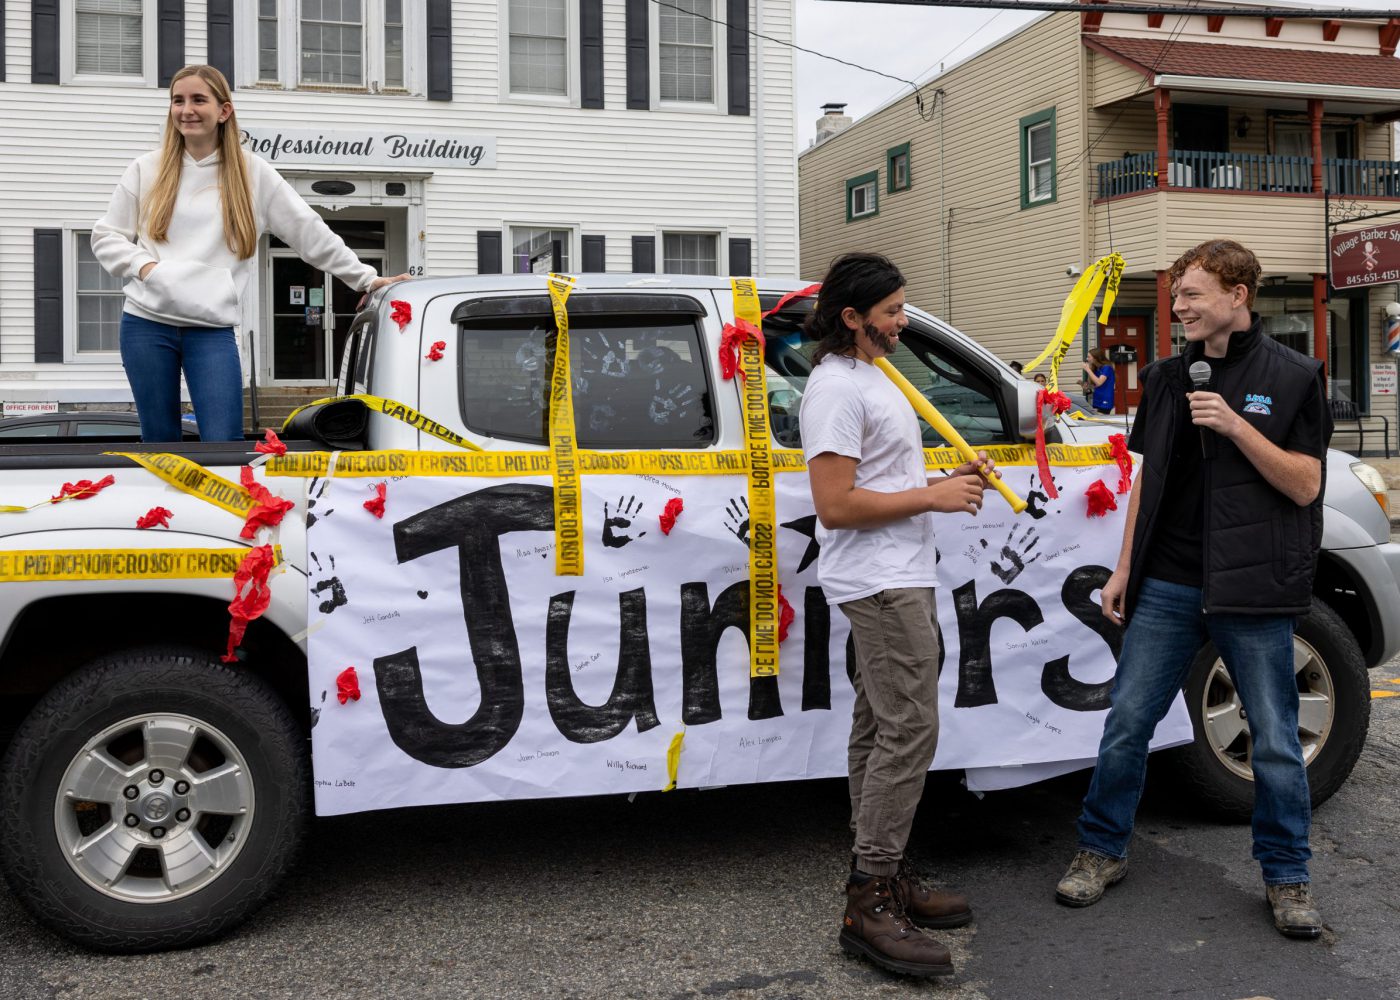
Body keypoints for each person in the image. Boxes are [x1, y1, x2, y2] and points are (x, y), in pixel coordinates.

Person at [1055, 240, 1332, 939]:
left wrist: (1237, 426)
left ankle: (1286, 875)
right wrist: (1124, 568)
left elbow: (1305, 484)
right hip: (1170, 581)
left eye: (1192, 295)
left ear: (1238, 296)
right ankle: (1101, 849)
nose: (1178, 307)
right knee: (1125, 726)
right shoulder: (1168, 376)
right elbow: (1146, 478)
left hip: (1252, 588)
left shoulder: (1296, 376)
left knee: (1273, 740)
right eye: (1176, 295)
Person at [799, 252, 997, 978]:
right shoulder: (834, 390)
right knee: (911, 727)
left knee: (880, 727)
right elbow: (836, 504)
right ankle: (869, 899)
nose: (901, 323)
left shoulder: (872, 376)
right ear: (851, 318)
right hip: (878, 583)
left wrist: (941, 483)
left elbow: (880, 482)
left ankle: (885, 874)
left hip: (898, 573)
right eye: (889, 313)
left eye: (902, 309)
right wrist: (933, 499)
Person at [91, 65, 408, 442]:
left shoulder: (253, 174)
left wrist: (366, 278)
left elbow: (309, 233)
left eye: (198, 100)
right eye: (178, 100)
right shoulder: (146, 169)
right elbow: (106, 237)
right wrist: (147, 268)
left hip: (211, 329)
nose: (186, 110)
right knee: (158, 441)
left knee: (224, 440)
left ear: (224, 111)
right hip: (145, 324)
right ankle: (165, 505)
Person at [1081, 346, 1116, 414]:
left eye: (1089, 357)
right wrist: (1086, 387)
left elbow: (1099, 382)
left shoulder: (1107, 368)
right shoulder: (1096, 369)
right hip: (1097, 400)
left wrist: (1088, 369)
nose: (1087, 359)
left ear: (1095, 358)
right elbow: (1094, 386)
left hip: (1105, 401)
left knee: (1102, 421)